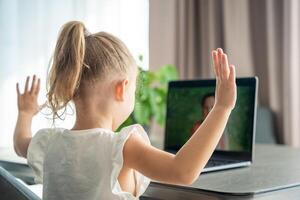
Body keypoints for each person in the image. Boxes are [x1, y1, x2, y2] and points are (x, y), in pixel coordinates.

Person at [13, 21, 236, 200]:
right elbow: (183, 171)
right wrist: (222, 108)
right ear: (122, 89)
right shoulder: (120, 146)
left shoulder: (49, 142)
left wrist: (25, 113)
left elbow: (21, 144)